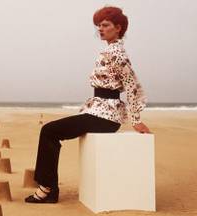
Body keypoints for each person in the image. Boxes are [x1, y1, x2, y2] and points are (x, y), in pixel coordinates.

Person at [25, 6, 152, 204]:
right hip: (99, 111)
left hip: (106, 117)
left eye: (105, 25)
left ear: (118, 28)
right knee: (50, 131)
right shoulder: (109, 50)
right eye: (98, 26)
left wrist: (136, 120)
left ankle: (47, 189)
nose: (100, 29)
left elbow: (132, 86)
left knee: (49, 131)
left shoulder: (117, 54)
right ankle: (47, 187)